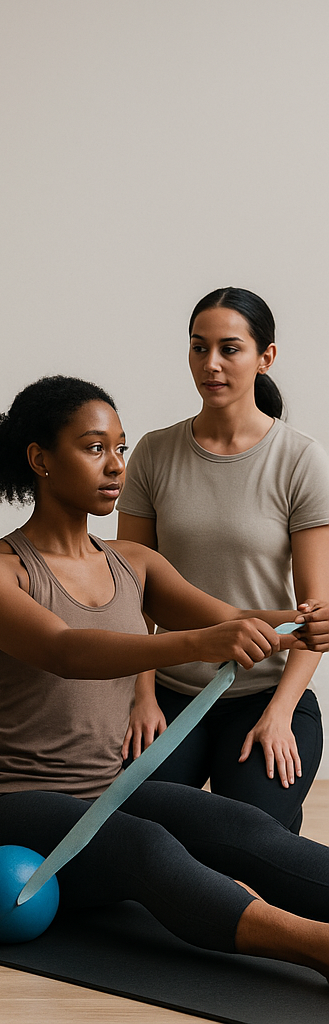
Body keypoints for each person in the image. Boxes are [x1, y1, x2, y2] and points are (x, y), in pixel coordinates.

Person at [0, 376, 329, 978]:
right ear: (40, 460)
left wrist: (304, 624)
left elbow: (234, 621)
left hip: (104, 791)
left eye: (120, 449)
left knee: (242, 828)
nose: (116, 466)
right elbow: (66, 649)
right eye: (94, 447)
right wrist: (206, 641)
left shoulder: (135, 563)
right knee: (147, 847)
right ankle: (319, 948)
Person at [117, 288, 329, 834]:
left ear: (266, 357)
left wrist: (279, 713)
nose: (210, 364)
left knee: (253, 838)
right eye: (198, 347)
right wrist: (141, 697)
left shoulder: (300, 459)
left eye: (229, 349)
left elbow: (315, 611)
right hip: (166, 689)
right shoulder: (153, 453)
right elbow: (130, 592)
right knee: (140, 830)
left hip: (263, 691)